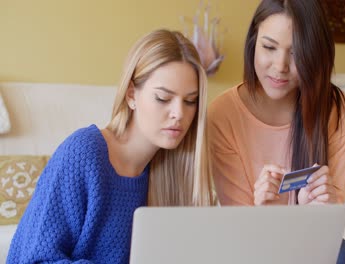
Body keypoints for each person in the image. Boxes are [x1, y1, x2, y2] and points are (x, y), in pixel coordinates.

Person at [7, 29, 215, 264]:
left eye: (190, 101)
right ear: (131, 95)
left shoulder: (174, 172)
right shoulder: (84, 153)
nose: (179, 114)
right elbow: (34, 259)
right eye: (163, 98)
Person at [207, 0, 345, 263]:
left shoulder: (337, 110)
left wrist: (323, 209)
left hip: (310, 240)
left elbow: (328, 230)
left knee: (340, 252)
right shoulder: (222, 115)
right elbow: (242, 233)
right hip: (252, 244)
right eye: (269, 47)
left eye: (296, 53)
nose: (280, 66)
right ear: (253, 43)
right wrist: (267, 216)